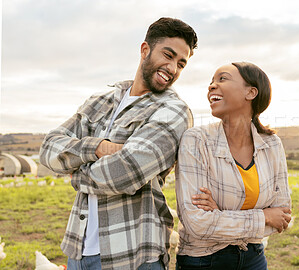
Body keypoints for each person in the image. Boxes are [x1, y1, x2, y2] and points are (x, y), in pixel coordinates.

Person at [39, 17, 198, 270]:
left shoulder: (173, 111)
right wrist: (98, 147)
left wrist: (74, 171)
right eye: (167, 55)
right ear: (145, 50)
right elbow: (48, 148)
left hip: (132, 255)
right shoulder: (100, 100)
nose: (172, 68)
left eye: (181, 63)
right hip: (78, 251)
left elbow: (125, 173)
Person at [175, 62, 292, 270]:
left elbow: (281, 218)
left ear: (251, 92)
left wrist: (219, 213)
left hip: (253, 258)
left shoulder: (272, 145)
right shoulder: (196, 140)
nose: (211, 86)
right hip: (203, 261)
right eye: (211, 81)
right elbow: (197, 224)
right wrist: (264, 216)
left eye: (222, 79)